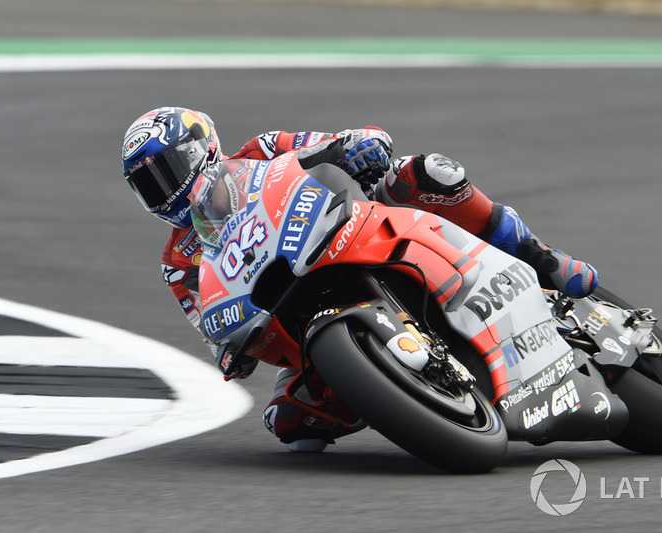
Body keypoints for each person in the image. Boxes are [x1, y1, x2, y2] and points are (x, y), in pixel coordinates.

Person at [122, 106, 599, 452]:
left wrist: (357, 144)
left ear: (199, 151)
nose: (162, 191)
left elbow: (332, 144)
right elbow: (212, 329)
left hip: (351, 229)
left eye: (166, 172)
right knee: (288, 423)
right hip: (297, 314)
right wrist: (230, 350)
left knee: (427, 172)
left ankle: (541, 259)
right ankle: (399, 393)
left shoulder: (261, 151)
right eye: (148, 185)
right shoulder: (177, 263)